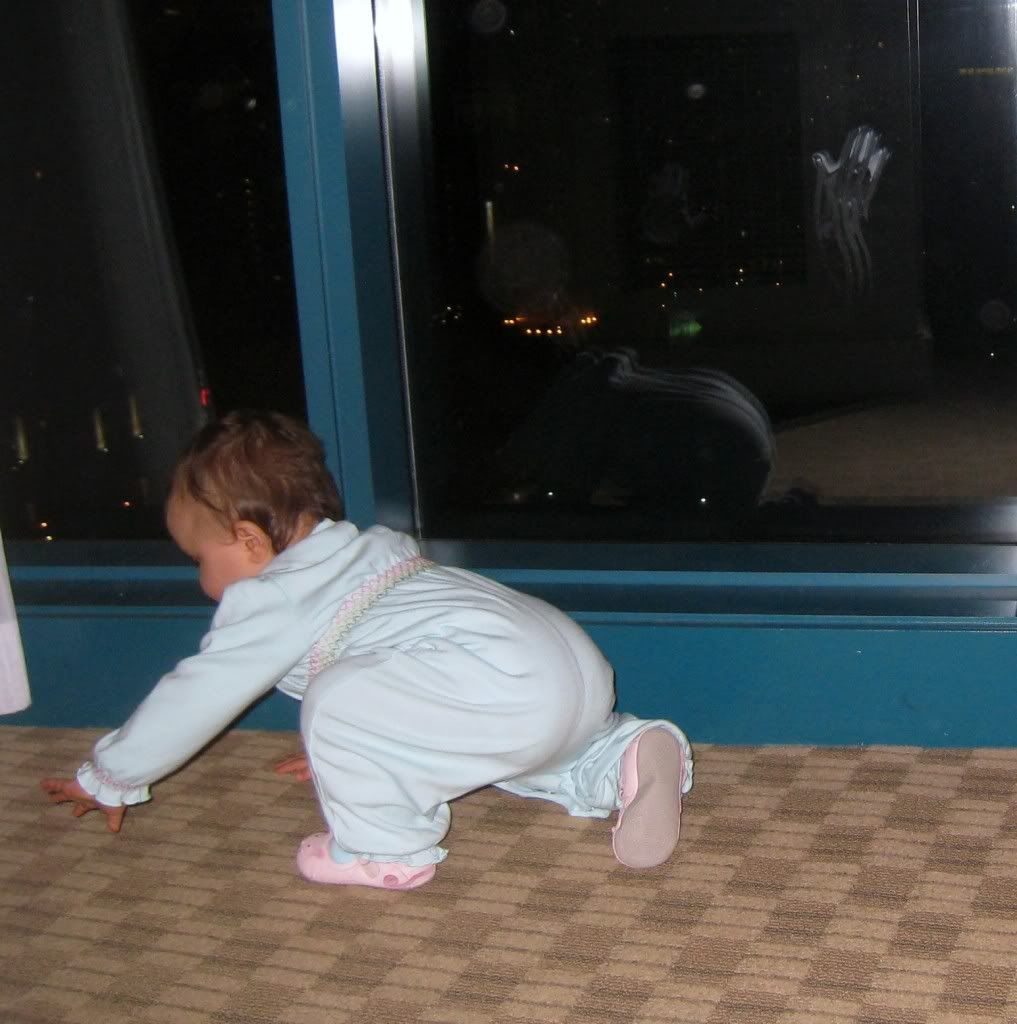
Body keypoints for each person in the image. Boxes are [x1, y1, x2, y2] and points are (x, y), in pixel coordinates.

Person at [41, 411, 693, 890]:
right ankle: (620, 755)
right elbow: (395, 668)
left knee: (338, 701)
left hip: (496, 678)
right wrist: (361, 749)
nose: (199, 576)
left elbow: (199, 692)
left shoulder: (273, 595)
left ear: (250, 542)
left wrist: (111, 774)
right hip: (563, 662)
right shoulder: (371, 550)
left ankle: (384, 850)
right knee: (516, 746)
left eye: (198, 558)